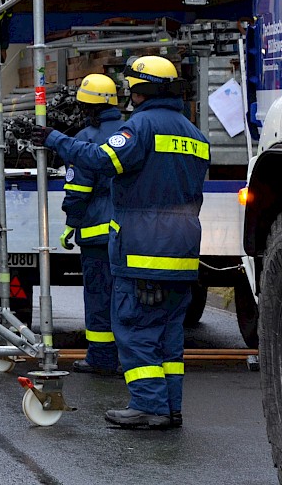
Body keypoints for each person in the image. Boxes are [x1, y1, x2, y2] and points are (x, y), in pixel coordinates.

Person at [31, 57, 207, 428]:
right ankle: (170, 407)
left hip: (144, 249)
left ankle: (149, 406)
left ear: (138, 90)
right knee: (169, 338)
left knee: (136, 329)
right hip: (184, 249)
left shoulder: (140, 127)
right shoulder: (194, 134)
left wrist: (53, 138)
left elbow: (98, 158)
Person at [60, 74, 123, 377]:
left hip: (97, 235)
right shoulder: (129, 132)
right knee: (128, 297)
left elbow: (79, 189)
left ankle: (101, 358)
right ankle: (132, 355)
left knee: (99, 297)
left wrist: (71, 222)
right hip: (127, 233)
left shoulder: (86, 139)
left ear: (88, 107)